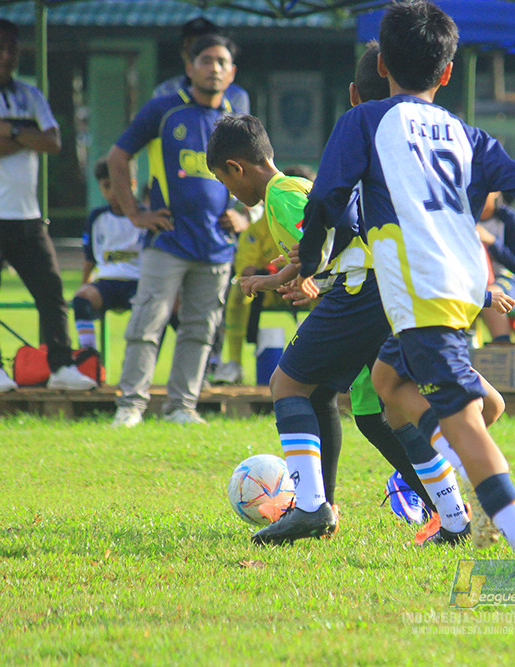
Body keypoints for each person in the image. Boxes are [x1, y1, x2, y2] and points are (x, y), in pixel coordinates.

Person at [295, 1, 515, 611]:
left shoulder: (365, 120)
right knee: (389, 381)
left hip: (423, 293)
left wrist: (309, 260)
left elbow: (327, 200)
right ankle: (457, 497)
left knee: (465, 418)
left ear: (382, 61)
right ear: (446, 74)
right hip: (460, 285)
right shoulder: (465, 133)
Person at [206, 43, 498, 546]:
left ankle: (316, 507)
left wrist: (281, 279)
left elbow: (330, 237)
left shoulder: (314, 170)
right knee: (386, 406)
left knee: (289, 386)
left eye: (225, 181)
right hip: (406, 289)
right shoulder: (419, 143)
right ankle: (452, 517)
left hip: (365, 289)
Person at [106, 34, 249, 427]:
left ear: (231, 72)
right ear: (189, 68)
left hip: (217, 245)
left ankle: (181, 407)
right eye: (206, 60)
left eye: (222, 62)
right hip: (167, 240)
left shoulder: (239, 110)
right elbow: (118, 158)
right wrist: (136, 214)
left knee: (201, 330)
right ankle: (130, 406)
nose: (214, 68)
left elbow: (256, 166)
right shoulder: (164, 110)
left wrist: (244, 215)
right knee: (147, 323)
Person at [0, 18, 97, 393]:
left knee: (51, 290)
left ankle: (61, 365)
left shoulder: (30, 95)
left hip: (28, 215)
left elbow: (53, 142)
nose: (7, 56)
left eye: (12, 48)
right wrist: (26, 136)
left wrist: (11, 131)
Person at [215, 164, 317, 386]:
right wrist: (278, 276)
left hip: (314, 283)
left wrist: (300, 269)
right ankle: (233, 362)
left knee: (324, 292)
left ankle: (321, 356)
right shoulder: (261, 226)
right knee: (239, 290)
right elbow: (247, 268)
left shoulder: (286, 198)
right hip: (275, 289)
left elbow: (317, 252)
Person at [72, 159, 145, 351]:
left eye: (119, 185)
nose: (113, 192)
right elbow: (90, 258)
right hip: (106, 282)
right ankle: (89, 353)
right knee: (80, 299)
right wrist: (84, 284)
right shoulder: (97, 218)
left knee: (160, 308)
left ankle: (140, 363)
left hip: (139, 282)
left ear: (132, 184)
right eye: (106, 186)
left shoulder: (146, 216)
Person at [152, 17, 250, 115]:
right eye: (190, 48)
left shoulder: (236, 96)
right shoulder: (165, 92)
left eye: (220, 61)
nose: (214, 68)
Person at [476, 191, 515, 344]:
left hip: (507, 280)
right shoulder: (464, 217)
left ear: (496, 192)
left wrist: (492, 241)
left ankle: (502, 347)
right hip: (472, 279)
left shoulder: (509, 219)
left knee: (490, 294)